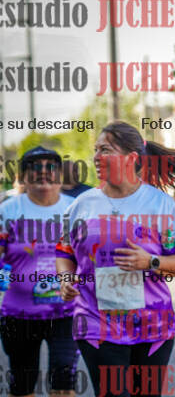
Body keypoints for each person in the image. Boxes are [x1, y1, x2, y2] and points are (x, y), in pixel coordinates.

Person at [55, 122, 175, 397]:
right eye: (95, 150)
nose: (96, 157)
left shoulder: (159, 204)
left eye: (105, 150)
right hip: (96, 322)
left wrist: (150, 261)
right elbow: (65, 252)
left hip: (153, 324)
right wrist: (65, 278)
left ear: (131, 158)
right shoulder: (81, 205)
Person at [0, 146, 78, 397]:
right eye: (35, 167)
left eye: (50, 167)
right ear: (24, 177)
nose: (44, 172)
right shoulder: (8, 210)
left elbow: (88, 255)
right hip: (19, 314)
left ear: (60, 176)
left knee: (63, 384)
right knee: (22, 387)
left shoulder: (75, 209)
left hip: (66, 312)